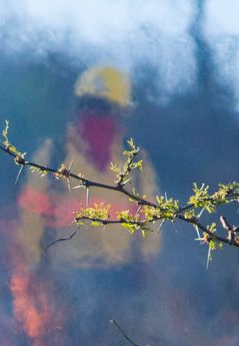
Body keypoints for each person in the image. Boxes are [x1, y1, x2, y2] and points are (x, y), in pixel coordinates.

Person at [14, 65, 163, 272]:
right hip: (65, 277)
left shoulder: (136, 164)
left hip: (122, 279)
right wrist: (34, 270)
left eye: (105, 108)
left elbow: (150, 224)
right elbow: (31, 220)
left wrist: (145, 266)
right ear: (78, 108)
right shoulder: (53, 156)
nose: (97, 116)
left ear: (120, 114)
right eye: (92, 106)